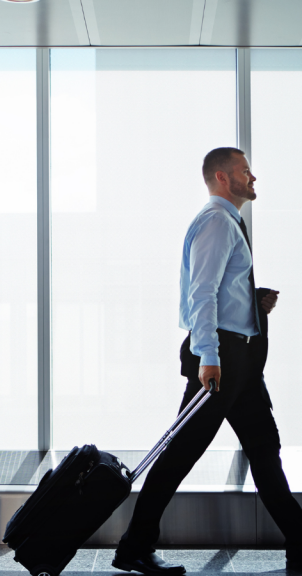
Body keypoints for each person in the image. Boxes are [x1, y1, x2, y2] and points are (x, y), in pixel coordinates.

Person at [111, 148, 302, 575]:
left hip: (241, 362)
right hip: (222, 360)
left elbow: (222, 291)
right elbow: (201, 295)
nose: (254, 179)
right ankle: (134, 547)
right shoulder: (216, 222)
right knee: (181, 453)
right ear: (221, 176)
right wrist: (210, 358)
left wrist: (253, 302)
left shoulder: (228, 222)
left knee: (265, 451)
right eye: (245, 172)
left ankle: (300, 541)